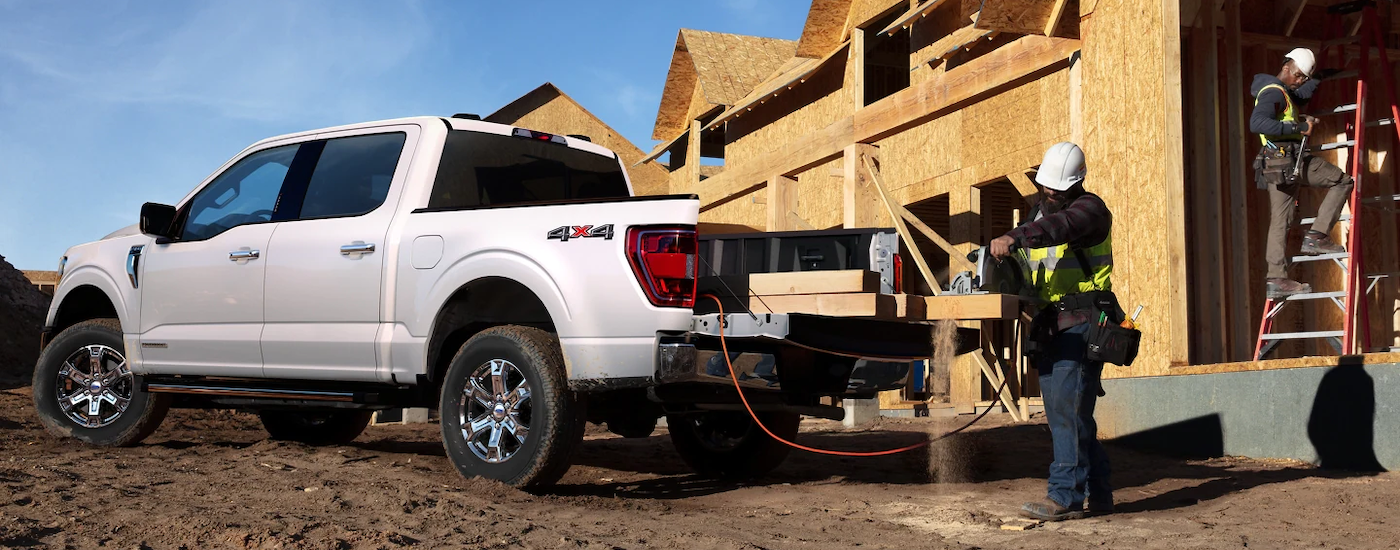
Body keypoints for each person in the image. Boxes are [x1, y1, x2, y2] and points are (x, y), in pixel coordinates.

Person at [989, 142, 1114, 521]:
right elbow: (1034, 238)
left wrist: (1016, 238)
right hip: (1052, 325)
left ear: (1077, 184)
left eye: (1057, 189)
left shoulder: (1090, 211)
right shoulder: (1039, 213)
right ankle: (1100, 493)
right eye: (1046, 187)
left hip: (1082, 323)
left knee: (1065, 412)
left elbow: (1059, 228)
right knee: (1074, 415)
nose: (1050, 194)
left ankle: (1064, 497)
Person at [1250, 47, 1353, 298]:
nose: (1299, 81)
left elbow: (1300, 97)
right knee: (1342, 181)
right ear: (1286, 67)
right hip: (1290, 160)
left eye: (1303, 78)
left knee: (1280, 221)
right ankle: (1317, 236)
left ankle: (1276, 279)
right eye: (1298, 76)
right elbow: (1257, 122)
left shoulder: (1282, 91)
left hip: (1276, 165)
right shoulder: (1274, 94)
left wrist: (1319, 77)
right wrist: (1299, 126)